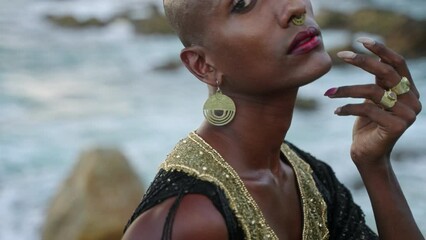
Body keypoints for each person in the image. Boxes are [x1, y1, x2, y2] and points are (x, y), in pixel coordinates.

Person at [122, 0, 424, 239]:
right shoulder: (188, 220)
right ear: (202, 65)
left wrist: (375, 165)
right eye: (243, 3)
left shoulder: (310, 178)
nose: (294, 8)